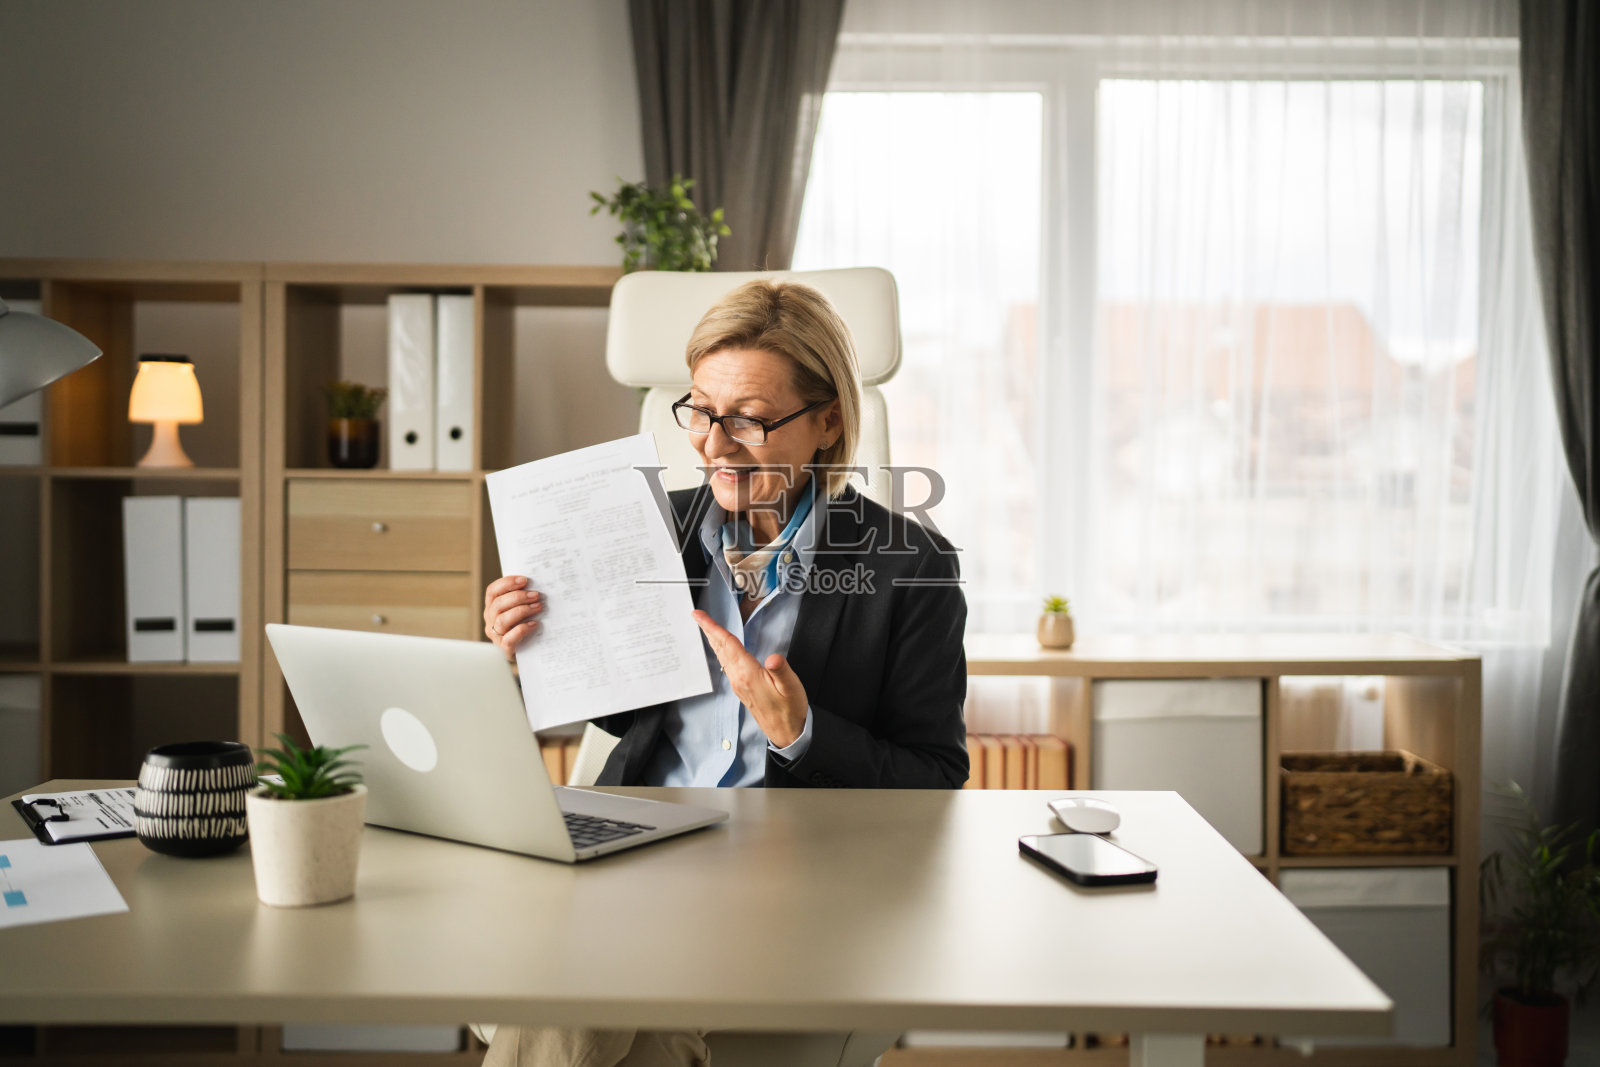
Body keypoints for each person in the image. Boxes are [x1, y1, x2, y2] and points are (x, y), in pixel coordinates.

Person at [479, 279, 967, 1066]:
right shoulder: (643, 525)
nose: (711, 444)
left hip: (787, 871)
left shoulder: (908, 565)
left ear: (830, 419)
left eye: (748, 418)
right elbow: (618, 715)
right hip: (640, 843)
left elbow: (937, 778)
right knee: (646, 1023)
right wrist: (528, 650)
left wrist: (802, 734)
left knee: (588, 1003)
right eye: (701, 410)